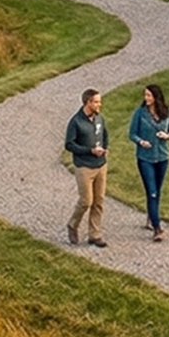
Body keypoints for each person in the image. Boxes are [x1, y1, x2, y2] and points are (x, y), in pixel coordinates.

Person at [129, 82, 169, 241]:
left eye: (149, 95)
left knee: (158, 190)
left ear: (157, 97)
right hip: (145, 158)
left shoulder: (167, 112)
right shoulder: (140, 113)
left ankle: (151, 215)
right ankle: (157, 228)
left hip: (162, 157)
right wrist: (140, 141)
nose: (146, 98)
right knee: (152, 191)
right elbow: (132, 134)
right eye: (145, 95)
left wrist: (167, 136)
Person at [65, 87, 109, 248]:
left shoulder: (99, 118)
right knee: (86, 201)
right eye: (96, 102)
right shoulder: (75, 121)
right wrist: (89, 151)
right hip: (84, 167)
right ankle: (72, 225)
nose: (99, 104)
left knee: (99, 201)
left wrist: (105, 148)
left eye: (99, 101)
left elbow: (105, 134)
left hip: (100, 165)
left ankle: (95, 235)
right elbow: (69, 144)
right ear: (87, 102)